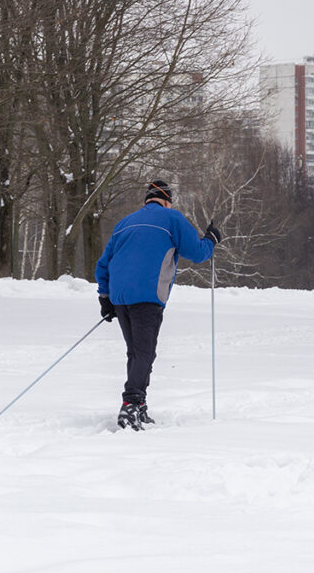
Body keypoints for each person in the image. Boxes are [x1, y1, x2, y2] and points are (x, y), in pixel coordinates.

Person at [95, 180, 222, 430]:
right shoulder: (172, 218)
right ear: (166, 201)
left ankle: (139, 405)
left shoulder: (124, 223)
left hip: (120, 297)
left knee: (136, 352)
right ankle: (130, 404)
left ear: (147, 200)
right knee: (144, 352)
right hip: (147, 295)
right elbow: (197, 253)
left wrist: (105, 297)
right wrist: (212, 240)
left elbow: (103, 262)